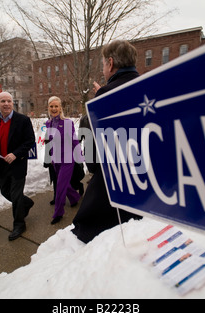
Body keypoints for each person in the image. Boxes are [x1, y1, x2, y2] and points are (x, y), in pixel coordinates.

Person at [72, 40, 142, 243]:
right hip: (146, 183)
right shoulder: (148, 87)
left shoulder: (105, 95)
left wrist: (98, 102)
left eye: (103, 64)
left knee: (86, 233)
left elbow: (94, 161)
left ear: (110, 63)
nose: (103, 69)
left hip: (116, 184)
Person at [0, 91, 35, 240]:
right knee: (5, 191)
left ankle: (19, 224)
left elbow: (30, 140)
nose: (6, 104)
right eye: (3, 101)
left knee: (16, 194)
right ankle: (26, 203)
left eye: (9, 101)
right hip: (2, 163)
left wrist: (16, 154)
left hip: (18, 163)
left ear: (13, 103)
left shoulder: (23, 120)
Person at [45, 96, 83, 224]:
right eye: (51, 106)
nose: (54, 108)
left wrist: (79, 155)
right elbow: (50, 141)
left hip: (67, 159)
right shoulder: (48, 123)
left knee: (60, 186)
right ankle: (74, 197)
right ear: (48, 108)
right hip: (56, 159)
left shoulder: (67, 122)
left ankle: (58, 213)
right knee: (64, 184)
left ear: (60, 108)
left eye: (56, 106)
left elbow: (74, 140)